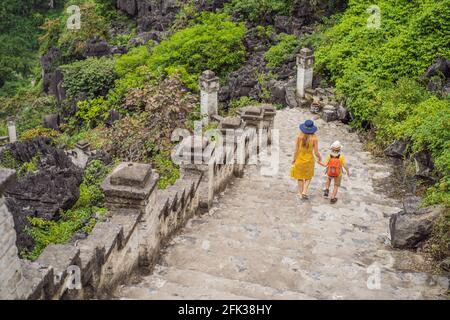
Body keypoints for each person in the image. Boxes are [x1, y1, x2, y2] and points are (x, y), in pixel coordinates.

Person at [291, 120, 322, 199]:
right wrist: (319, 157)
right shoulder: (314, 138)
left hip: (299, 159)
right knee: (308, 177)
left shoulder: (299, 137)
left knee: (300, 177)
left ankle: (301, 194)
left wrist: (294, 159)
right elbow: (316, 152)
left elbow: (296, 150)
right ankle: (304, 191)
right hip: (309, 160)